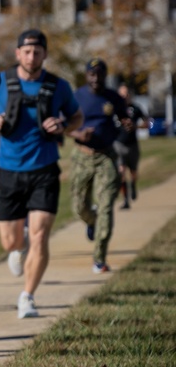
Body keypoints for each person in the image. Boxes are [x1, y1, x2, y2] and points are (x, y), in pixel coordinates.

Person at [0, 29, 83, 317]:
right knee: (10, 242)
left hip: (45, 169)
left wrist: (64, 126)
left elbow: (77, 117)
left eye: (37, 51)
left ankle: (27, 296)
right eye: (26, 51)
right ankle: (18, 246)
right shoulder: (0, 82)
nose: (31, 56)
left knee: (40, 236)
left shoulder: (58, 86)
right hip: (8, 171)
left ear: (45, 54)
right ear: (17, 54)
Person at [71, 60, 132, 273]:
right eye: (91, 74)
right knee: (79, 207)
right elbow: (66, 125)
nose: (95, 78)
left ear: (105, 75)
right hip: (81, 156)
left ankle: (99, 259)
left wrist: (127, 125)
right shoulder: (77, 97)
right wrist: (78, 134)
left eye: (99, 74)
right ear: (86, 75)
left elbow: (125, 120)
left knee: (106, 207)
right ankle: (91, 221)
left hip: (107, 156)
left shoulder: (114, 98)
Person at [115, 82, 146, 208]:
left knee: (133, 172)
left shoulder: (136, 108)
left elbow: (148, 123)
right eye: (122, 94)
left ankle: (133, 185)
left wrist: (136, 126)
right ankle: (126, 200)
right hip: (118, 145)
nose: (124, 96)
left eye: (126, 94)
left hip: (133, 145)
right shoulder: (114, 109)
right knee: (121, 171)